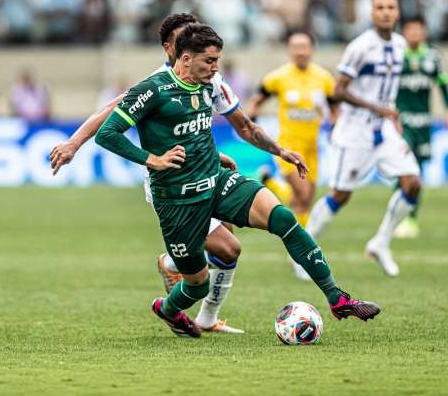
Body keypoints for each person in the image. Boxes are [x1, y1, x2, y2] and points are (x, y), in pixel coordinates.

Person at [93, 23, 380, 338]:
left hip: (215, 181)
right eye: (209, 61)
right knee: (198, 284)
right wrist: (153, 160)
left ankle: (337, 298)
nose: (216, 68)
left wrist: (280, 150)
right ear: (185, 58)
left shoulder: (209, 83)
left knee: (283, 218)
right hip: (177, 201)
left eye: (217, 60)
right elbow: (107, 133)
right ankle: (168, 309)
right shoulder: (152, 90)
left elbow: (242, 126)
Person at [50, 14, 246, 333]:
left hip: (205, 171)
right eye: (184, 39)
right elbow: (109, 113)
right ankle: (180, 281)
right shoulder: (156, 82)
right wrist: (73, 143)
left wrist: (216, 155)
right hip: (173, 182)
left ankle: (201, 307)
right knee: (227, 248)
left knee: (226, 247)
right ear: (170, 47)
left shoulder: (206, 73)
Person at [306, 0, 422, 277]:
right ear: (371, 14)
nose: (385, 12)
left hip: (383, 131)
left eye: (391, 7)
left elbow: (386, 89)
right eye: (379, 7)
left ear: (398, 12)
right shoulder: (360, 47)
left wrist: (389, 113)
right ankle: (303, 251)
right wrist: (376, 108)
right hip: (355, 131)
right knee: (341, 195)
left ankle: (381, 242)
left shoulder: (399, 44)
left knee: (413, 183)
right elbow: (339, 90)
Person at [246, 32, 336, 280]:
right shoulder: (279, 77)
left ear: (311, 50)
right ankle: (302, 252)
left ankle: (270, 184)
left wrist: (335, 123)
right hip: (288, 146)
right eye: (295, 47)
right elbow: (258, 98)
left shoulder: (324, 78)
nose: (300, 51)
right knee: (304, 195)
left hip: (312, 147)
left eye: (304, 47)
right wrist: (252, 120)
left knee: (303, 201)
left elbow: (334, 103)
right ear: (289, 50)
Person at [394, 15, 448, 238]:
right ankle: (399, 218)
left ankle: (410, 218)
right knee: (405, 168)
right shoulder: (396, 55)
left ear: (424, 33)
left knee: (418, 171)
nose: (414, 34)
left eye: (418, 30)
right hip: (401, 122)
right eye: (409, 30)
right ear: (404, 33)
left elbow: (443, 84)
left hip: (424, 122)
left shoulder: (433, 57)